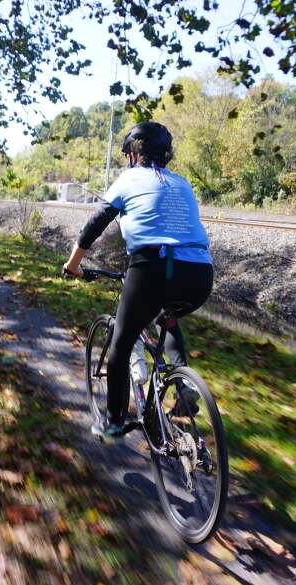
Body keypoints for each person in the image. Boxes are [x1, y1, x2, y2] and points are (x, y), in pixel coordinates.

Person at [63, 121, 214, 443]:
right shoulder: (182, 183)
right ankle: (182, 381)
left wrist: (73, 265)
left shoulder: (129, 179)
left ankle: (114, 424)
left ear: (134, 153)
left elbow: (95, 223)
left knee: (121, 342)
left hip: (152, 269)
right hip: (200, 274)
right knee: (167, 317)